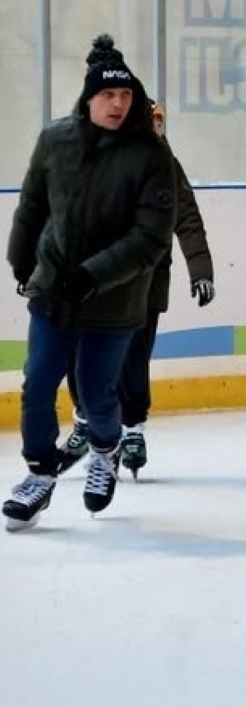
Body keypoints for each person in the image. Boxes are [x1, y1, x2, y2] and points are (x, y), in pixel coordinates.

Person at [3, 36, 176, 531]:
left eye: (125, 97)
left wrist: (91, 276)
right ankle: (39, 472)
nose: (118, 104)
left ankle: (105, 448)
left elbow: (150, 239)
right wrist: (21, 263)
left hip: (114, 301)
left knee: (97, 395)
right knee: (37, 385)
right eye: (108, 96)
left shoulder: (150, 157)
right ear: (88, 98)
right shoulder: (55, 140)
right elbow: (33, 206)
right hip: (53, 292)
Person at [57, 100, 215, 480]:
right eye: (150, 121)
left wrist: (201, 270)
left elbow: (188, 218)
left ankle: (132, 429)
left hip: (145, 285)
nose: (156, 128)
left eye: (161, 121)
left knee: (132, 360)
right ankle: (84, 422)